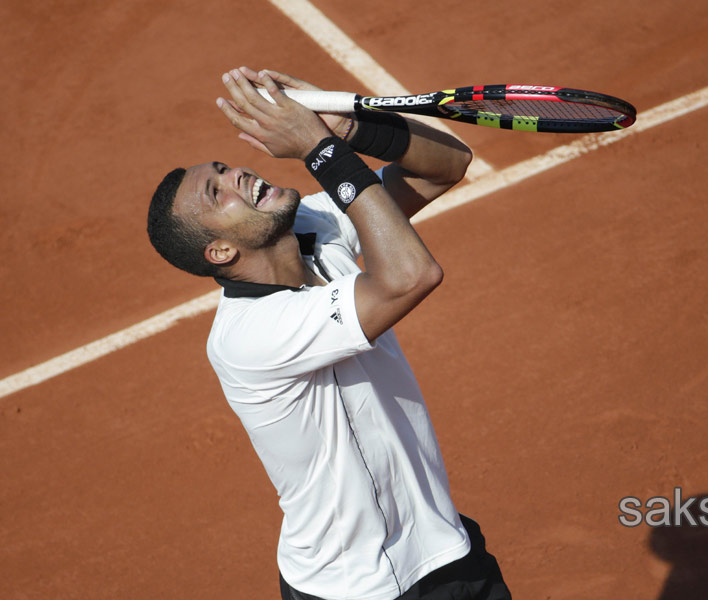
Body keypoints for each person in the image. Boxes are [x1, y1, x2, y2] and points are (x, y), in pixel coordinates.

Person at [147, 66, 511, 600]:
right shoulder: (250, 337)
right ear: (221, 253)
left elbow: (447, 164)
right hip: (360, 588)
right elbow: (411, 276)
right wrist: (319, 150)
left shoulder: (312, 231)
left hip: (445, 550)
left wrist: (349, 132)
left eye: (225, 167)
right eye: (217, 190)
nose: (238, 175)